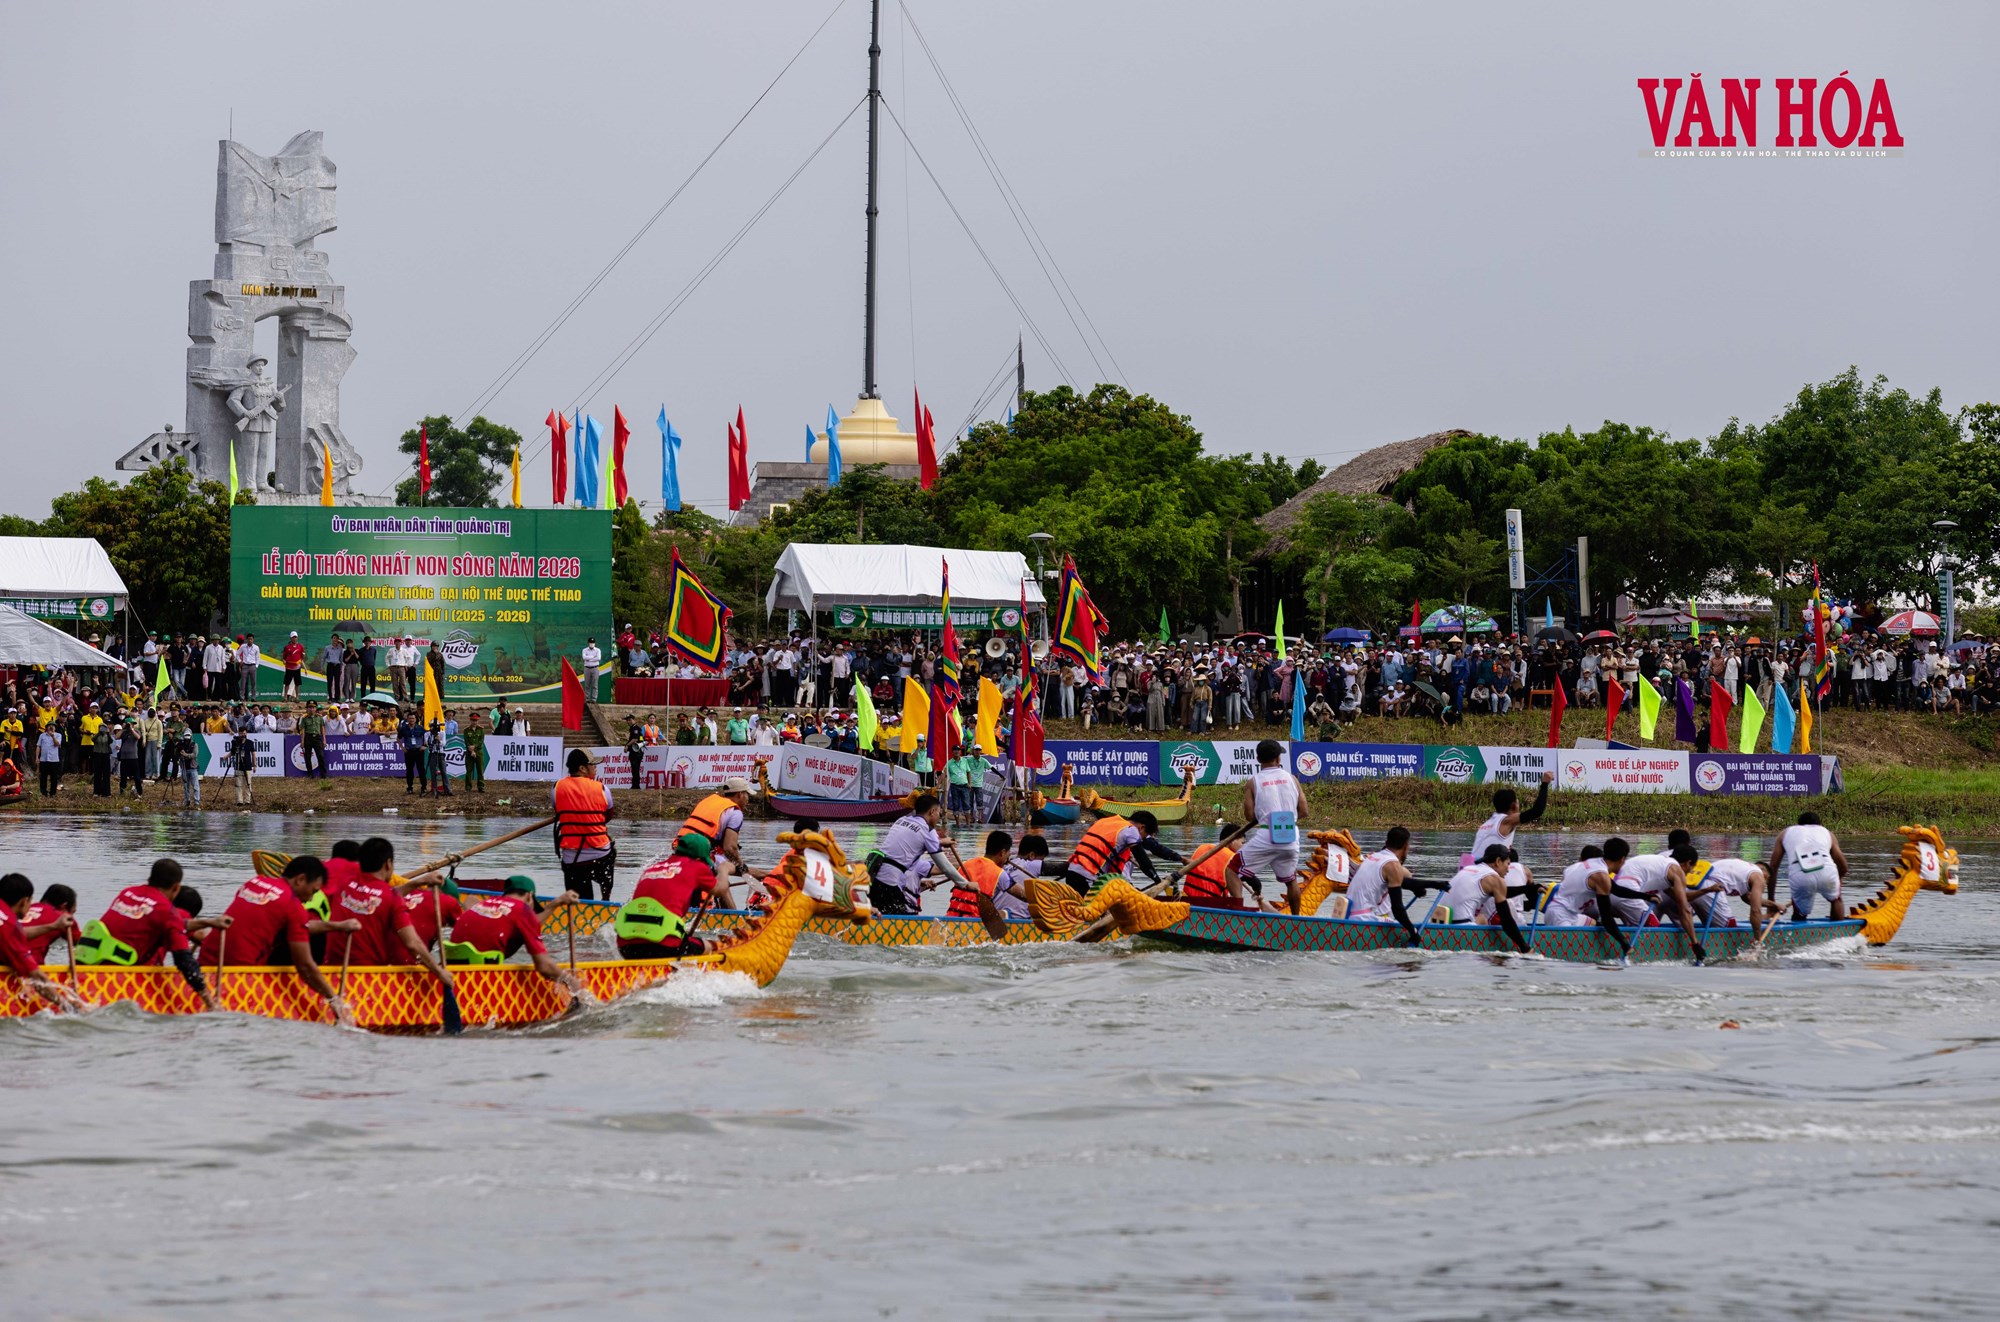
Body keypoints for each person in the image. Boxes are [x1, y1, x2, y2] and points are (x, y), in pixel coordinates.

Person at [197, 857, 358, 1028]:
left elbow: (291, 925)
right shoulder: (292, 905)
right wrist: (334, 1000)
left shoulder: (255, 882)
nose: (310, 899)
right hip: (240, 978)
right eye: (313, 891)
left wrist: (337, 926)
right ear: (300, 879)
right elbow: (304, 966)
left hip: (204, 966)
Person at [324, 838, 457, 1013]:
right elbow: (412, 944)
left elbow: (381, 897)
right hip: (367, 979)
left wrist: (416, 883)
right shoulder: (391, 900)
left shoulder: (346, 882)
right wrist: (439, 973)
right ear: (388, 864)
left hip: (329, 970)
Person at [74, 859, 226, 1009]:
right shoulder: (168, 913)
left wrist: (208, 922)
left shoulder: (128, 893)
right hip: (119, 981)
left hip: (84, 969)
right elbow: (183, 961)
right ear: (176, 888)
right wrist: (210, 1002)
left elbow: (163, 922)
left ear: (149, 879)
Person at [443, 875, 589, 997]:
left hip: (454, 972)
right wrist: (572, 982)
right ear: (529, 896)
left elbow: (470, 899)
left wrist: (555, 904)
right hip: (483, 979)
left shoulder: (484, 905)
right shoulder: (522, 910)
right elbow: (544, 967)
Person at [1226, 739, 1310, 913]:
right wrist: (1285, 817)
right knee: (1291, 880)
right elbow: (1304, 811)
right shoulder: (1292, 779)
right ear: (1278, 759)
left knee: (1232, 870)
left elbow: (1249, 816)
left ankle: (1239, 913)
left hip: (1266, 835)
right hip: (1290, 836)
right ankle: (1296, 921)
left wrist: (1265, 815)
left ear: (1258, 759)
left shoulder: (1253, 782)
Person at [615, 834, 731, 958]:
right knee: (709, 947)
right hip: (663, 945)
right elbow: (720, 889)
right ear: (699, 858)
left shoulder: (652, 869)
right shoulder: (696, 866)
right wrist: (724, 870)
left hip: (625, 945)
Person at [1601, 837, 1705, 957]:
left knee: (1636, 925)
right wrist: (1695, 943)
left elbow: (1680, 897)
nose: (1688, 873)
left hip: (1610, 894)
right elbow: (1684, 909)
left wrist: (1706, 890)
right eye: (1691, 869)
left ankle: (1616, 946)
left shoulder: (1659, 865)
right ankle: (1641, 956)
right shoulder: (1677, 871)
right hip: (1627, 895)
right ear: (1688, 863)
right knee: (1653, 928)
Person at [866, 794, 970, 915]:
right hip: (888, 884)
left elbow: (910, 844)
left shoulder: (901, 820)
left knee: (877, 921)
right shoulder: (928, 831)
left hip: (873, 879)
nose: (938, 818)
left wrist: (939, 843)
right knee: (901, 925)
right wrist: (966, 884)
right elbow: (944, 866)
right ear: (932, 812)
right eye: (939, 814)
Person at [0, 874, 83, 1010]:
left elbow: (19, 933)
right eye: (30, 901)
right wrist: (68, 1006)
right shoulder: (9, 929)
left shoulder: (7, 920)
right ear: (23, 901)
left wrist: (53, 926)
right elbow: (37, 979)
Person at [1062, 809, 1180, 897]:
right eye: (1143, 837)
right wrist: (1159, 882)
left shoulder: (1105, 821)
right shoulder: (1131, 830)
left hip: (1072, 872)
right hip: (1087, 878)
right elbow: (1143, 862)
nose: (1141, 840)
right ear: (1141, 828)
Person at [553, 749, 618, 901]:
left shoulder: (556, 788)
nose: (595, 768)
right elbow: (607, 816)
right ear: (582, 768)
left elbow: (558, 811)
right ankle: (606, 899)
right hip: (600, 854)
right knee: (610, 850)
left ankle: (579, 909)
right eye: (593, 765)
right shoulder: (602, 788)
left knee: (579, 900)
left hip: (572, 858)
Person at [1767, 810, 1848, 921]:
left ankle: (1797, 933)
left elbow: (1772, 868)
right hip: (1827, 872)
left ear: (1798, 824)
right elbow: (1844, 867)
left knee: (1799, 914)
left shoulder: (1785, 833)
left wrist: (1771, 901)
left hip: (1800, 876)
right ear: (1819, 825)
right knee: (1836, 900)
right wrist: (1837, 881)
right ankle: (1839, 933)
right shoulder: (1827, 833)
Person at [675, 776, 751, 880]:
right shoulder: (735, 813)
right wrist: (741, 866)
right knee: (728, 875)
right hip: (700, 855)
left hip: (680, 847)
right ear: (740, 794)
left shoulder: (709, 802)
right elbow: (730, 848)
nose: (748, 799)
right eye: (747, 794)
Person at [1471, 772, 1552, 861]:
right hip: (1483, 868)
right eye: (1518, 803)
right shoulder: (1506, 821)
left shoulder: (1488, 823)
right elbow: (1537, 810)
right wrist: (1544, 784)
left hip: (1468, 866)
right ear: (1514, 806)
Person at [1687, 855, 1773, 935]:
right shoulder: (1759, 877)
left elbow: (1748, 898)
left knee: (1707, 925)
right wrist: (1757, 941)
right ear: (1767, 876)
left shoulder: (1743, 869)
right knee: (1729, 925)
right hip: (1711, 888)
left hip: (1690, 886)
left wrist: (1774, 905)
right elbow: (1755, 910)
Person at [1343, 826, 1413, 921]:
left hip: (1357, 913)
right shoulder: (1389, 865)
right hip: (1374, 916)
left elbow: (1408, 879)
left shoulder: (1372, 860)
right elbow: (1409, 875)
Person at [947, 830, 1013, 919]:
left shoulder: (965, 864)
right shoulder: (999, 873)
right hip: (975, 922)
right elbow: (1021, 894)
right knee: (1007, 913)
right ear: (1002, 852)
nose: (1009, 856)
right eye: (1008, 853)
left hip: (951, 918)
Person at [1544, 845, 1610, 927]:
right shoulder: (1598, 875)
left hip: (1572, 914)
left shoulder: (1572, 870)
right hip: (1563, 915)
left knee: (1595, 922)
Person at [17, 881, 78, 964]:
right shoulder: (63, 917)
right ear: (63, 906)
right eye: (72, 912)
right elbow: (84, 945)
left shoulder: (22, 908)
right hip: (26, 966)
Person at [1179, 825, 1241, 905]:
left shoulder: (1202, 847)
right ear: (1232, 841)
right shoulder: (1233, 858)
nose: (1243, 846)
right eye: (1242, 843)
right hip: (1211, 904)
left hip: (1187, 900)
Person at [994, 834, 1046, 920]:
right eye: (1042, 859)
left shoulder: (1005, 866)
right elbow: (1063, 868)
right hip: (1016, 920)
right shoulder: (1030, 865)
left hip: (997, 914)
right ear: (1032, 855)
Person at [35, 722, 61, 796]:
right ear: (46, 727)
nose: (51, 727)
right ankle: (43, 792)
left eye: (53, 726)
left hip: (54, 760)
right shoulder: (42, 735)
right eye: (49, 726)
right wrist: (37, 757)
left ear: (55, 728)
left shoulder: (58, 735)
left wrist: (53, 736)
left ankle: (53, 793)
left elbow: (57, 744)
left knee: (54, 778)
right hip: (44, 759)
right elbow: (38, 746)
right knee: (43, 777)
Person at [281, 632, 305, 699]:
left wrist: (299, 662)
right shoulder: (287, 647)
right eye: (293, 637)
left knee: (297, 683)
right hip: (289, 667)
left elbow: (302, 656)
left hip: (297, 668)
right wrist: (285, 661)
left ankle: (297, 697)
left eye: (295, 637)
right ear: (290, 638)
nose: (294, 638)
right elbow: (284, 656)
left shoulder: (300, 646)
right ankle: (285, 697)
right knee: (287, 683)